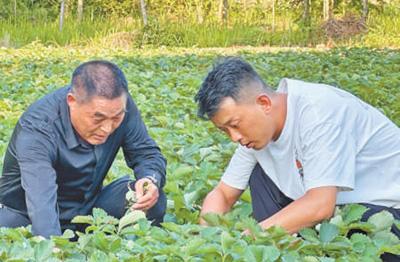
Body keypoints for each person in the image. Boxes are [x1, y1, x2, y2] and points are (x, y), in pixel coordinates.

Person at [195, 57, 400, 246]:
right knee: (260, 175)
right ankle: (280, 251)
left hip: (385, 215)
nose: (234, 137)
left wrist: (250, 238)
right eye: (225, 130)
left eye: (235, 125)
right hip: (336, 215)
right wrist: (208, 239)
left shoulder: (319, 113)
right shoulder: (257, 135)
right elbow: (223, 193)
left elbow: (321, 205)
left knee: (339, 222)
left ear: (264, 103)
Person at [0, 60, 167, 238]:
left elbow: (146, 153)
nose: (107, 128)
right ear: (72, 101)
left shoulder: (118, 107)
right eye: (98, 118)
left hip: (87, 210)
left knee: (150, 201)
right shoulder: (38, 128)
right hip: (26, 214)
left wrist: (150, 179)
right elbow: (41, 203)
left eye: (116, 118)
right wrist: (55, 248)